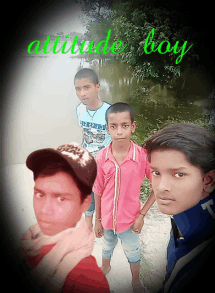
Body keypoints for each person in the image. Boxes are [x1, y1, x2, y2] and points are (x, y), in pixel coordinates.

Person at [19, 142, 110, 293]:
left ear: (84, 203)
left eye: (61, 198)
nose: (45, 209)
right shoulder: (29, 241)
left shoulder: (88, 279)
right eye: (40, 194)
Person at [143, 123, 215, 293]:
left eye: (179, 174)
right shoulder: (185, 219)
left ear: (208, 180)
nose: (161, 187)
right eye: (156, 173)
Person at [93, 102, 156, 293]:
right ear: (107, 128)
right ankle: (105, 266)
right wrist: (97, 219)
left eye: (125, 126)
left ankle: (135, 280)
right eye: (114, 126)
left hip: (130, 221)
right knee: (107, 244)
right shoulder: (101, 157)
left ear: (133, 126)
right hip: (106, 219)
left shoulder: (143, 156)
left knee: (133, 251)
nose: (119, 131)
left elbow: (157, 187)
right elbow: (98, 189)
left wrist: (142, 215)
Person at [74, 68, 111, 230]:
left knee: (103, 193)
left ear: (98, 87)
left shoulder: (109, 112)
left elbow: (118, 137)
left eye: (86, 87)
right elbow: (85, 133)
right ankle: (88, 221)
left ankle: (101, 220)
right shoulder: (80, 110)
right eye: (78, 89)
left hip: (105, 161)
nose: (82, 93)